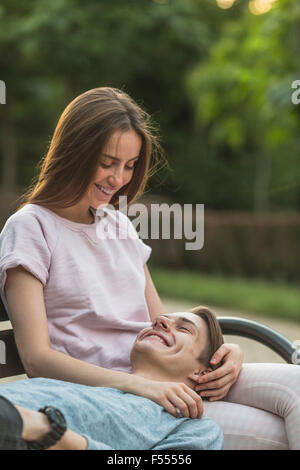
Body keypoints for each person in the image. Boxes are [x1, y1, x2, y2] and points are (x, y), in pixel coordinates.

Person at [0, 87, 299, 450]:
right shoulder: (31, 228)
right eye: (107, 162)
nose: (119, 179)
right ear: (74, 152)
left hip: (165, 379)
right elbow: (36, 358)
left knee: (295, 387)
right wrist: (140, 385)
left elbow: (162, 321)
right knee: (281, 434)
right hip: (118, 400)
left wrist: (224, 352)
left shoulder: (119, 225)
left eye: (129, 165)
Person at [0, 308, 224, 450]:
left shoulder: (193, 428)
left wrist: (50, 433)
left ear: (202, 373)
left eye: (184, 328)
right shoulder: (84, 379)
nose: (159, 322)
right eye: (161, 319)